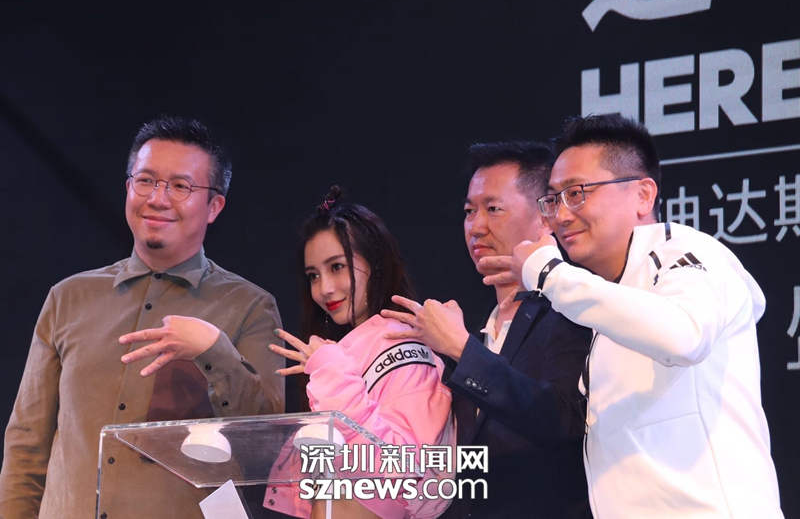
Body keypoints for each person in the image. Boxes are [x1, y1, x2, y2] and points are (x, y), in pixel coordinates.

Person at [481, 114, 783, 517]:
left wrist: (550, 274)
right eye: (554, 199)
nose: (562, 215)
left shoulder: (687, 253)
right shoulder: (605, 297)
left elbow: (684, 337)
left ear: (643, 194)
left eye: (577, 193)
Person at [0, 116, 285, 519]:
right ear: (128, 188)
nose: (158, 198)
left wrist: (214, 352)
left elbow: (267, 450)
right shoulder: (68, 298)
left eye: (181, 186)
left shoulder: (250, 306)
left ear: (214, 206)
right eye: (146, 180)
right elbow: (27, 444)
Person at [381, 142, 593, 518]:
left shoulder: (571, 307)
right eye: (469, 211)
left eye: (493, 209)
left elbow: (561, 420)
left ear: (546, 217)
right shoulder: (481, 325)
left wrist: (462, 349)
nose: (476, 227)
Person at [264, 186, 455, 519]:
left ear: (376, 263)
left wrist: (331, 371)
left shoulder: (402, 346)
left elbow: (404, 470)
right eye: (313, 276)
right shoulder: (347, 349)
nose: (324, 289)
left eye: (337, 267)